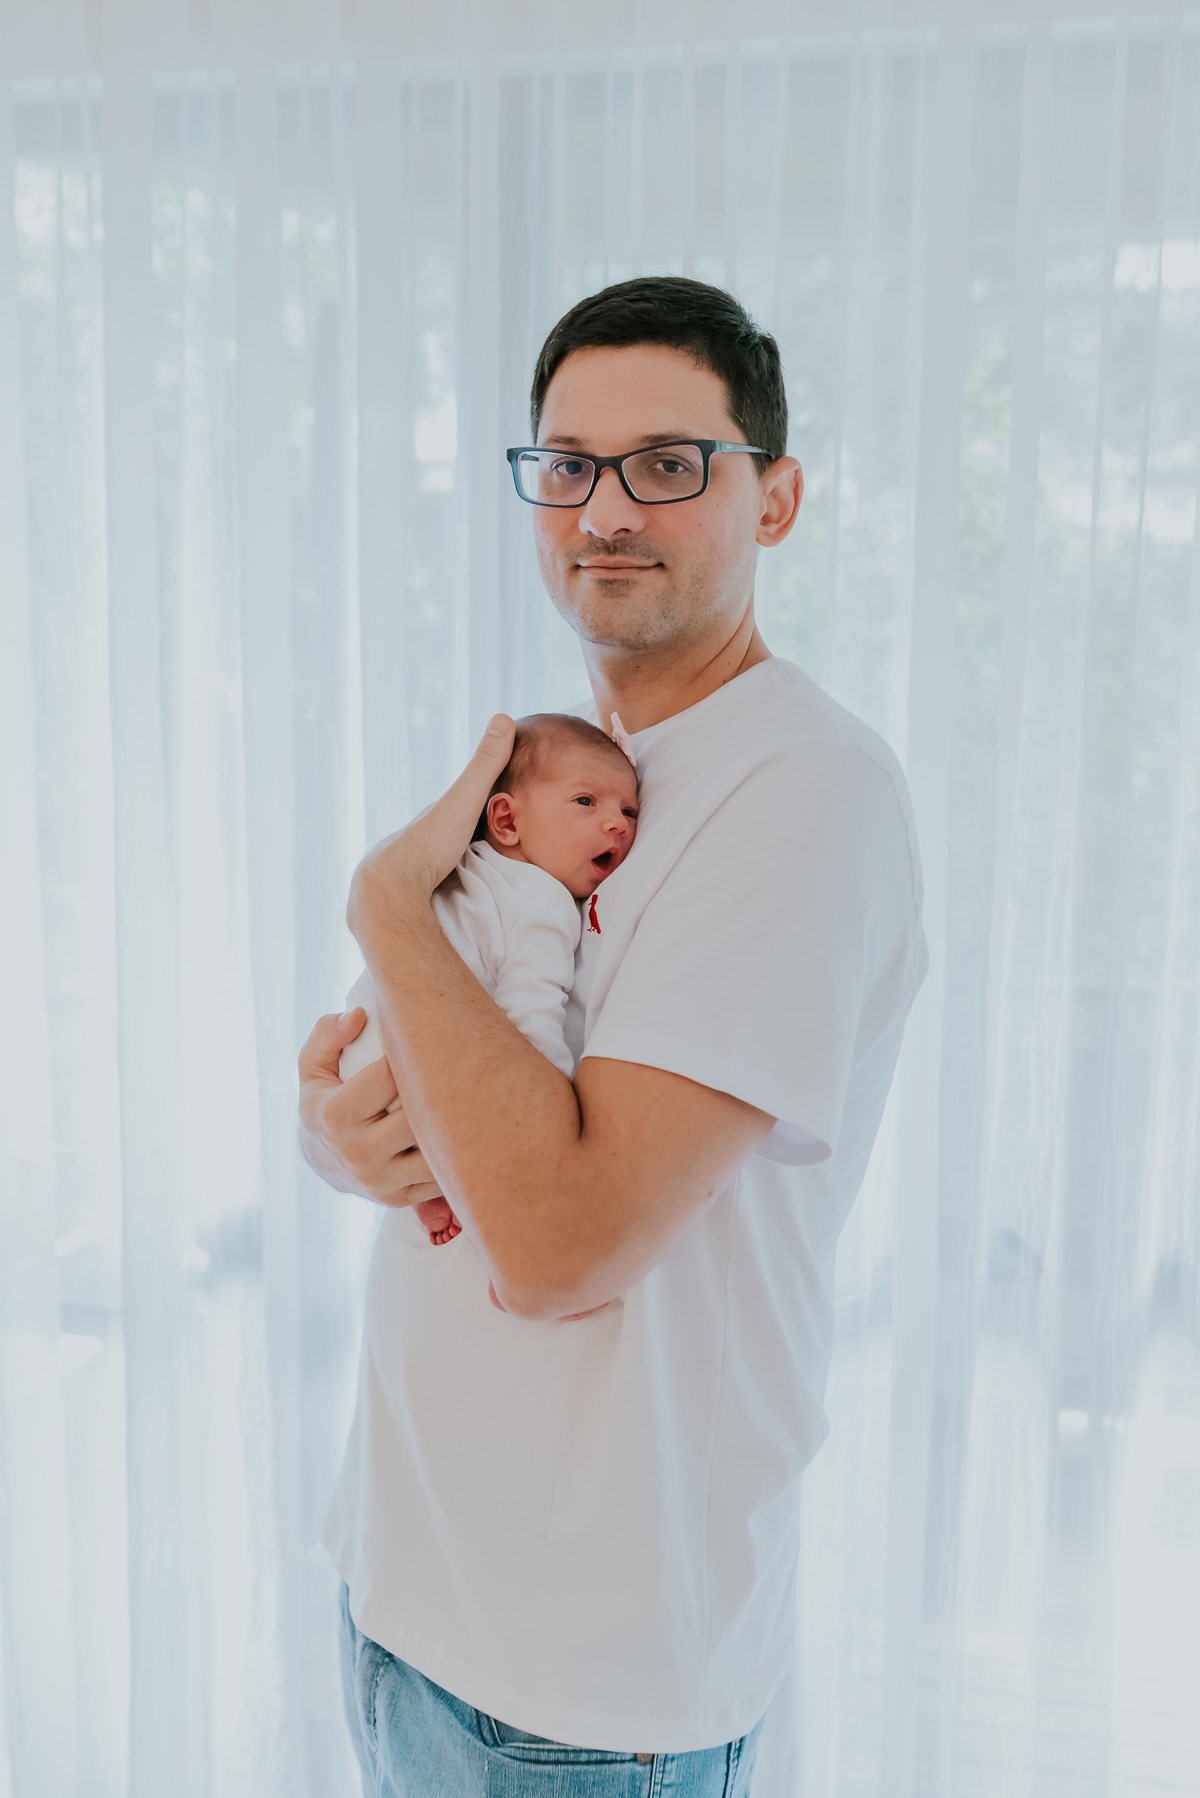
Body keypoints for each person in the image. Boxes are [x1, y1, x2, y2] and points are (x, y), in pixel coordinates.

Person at [298, 276, 928, 1797]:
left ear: (774, 499)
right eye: (566, 462)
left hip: (579, 1690)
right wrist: (335, 1133)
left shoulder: (801, 793)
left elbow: (563, 1240)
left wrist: (385, 899)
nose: (604, 506)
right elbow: (435, 1077)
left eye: (667, 462)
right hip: (406, 1594)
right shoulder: (572, 769)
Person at [337, 712, 639, 1246]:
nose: (617, 823)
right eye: (586, 802)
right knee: (480, 1158)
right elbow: (531, 1017)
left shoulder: (461, 864)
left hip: (357, 1055)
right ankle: (466, 1214)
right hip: (416, 1077)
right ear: (505, 820)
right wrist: (554, 1118)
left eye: (629, 809)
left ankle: (431, 1197)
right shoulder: (544, 900)